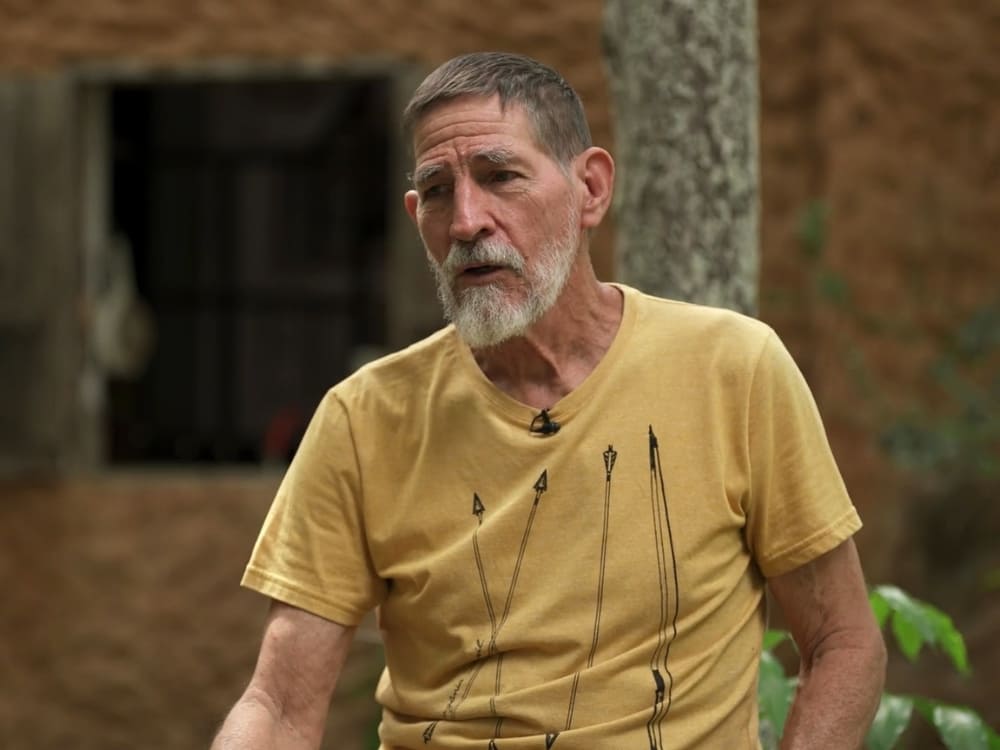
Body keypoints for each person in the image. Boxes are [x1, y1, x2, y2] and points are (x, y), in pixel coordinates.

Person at [212, 52, 886, 749]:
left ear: (590, 188)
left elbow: (843, 642)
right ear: (417, 217)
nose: (468, 220)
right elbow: (281, 707)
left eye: (500, 177)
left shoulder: (733, 369)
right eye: (438, 191)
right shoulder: (365, 418)